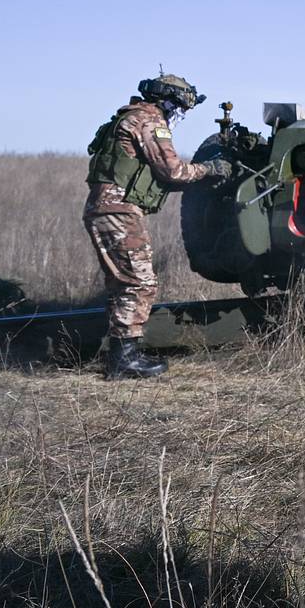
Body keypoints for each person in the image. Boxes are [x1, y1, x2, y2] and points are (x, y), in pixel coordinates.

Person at [83, 73, 231, 379]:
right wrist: (211, 169)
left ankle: (120, 354)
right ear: (167, 102)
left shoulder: (128, 117)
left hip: (106, 208)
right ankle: (124, 360)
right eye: (179, 108)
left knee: (122, 283)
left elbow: (156, 176)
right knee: (140, 282)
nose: (179, 116)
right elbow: (173, 170)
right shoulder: (149, 121)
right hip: (119, 210)